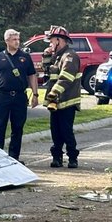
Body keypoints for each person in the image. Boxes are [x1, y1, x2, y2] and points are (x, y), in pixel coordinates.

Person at [0, 28, 40, 160]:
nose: (17, 42)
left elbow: (32, 76)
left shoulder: (25, 57)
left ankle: (14, 157)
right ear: (7, 41)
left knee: (18, 127)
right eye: (14, 39)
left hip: (20, 96)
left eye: (18, 39)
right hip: (3, 95)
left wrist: (35, 94)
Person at [42, 25, 82, 168]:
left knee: (66, 131)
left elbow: (66, 77)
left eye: (51, 41)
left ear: (59, 40)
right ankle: (57, 157)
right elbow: (47, 71)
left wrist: (54, 92)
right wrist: (47, 56)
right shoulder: (57, 57)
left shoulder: (70, 56)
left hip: (67, 100)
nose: (50, 44)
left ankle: (72, 157)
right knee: (55, 130)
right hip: (56, 101)